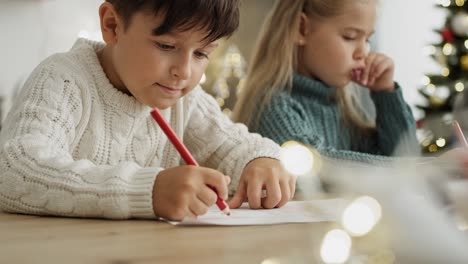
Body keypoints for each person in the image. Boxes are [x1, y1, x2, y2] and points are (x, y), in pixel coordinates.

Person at [0, 0, 295, 221]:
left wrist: (261, 161)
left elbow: (233, 145)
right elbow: (14, 172)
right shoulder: (63, 79)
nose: (184, 71)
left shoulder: (183, 100)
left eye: (202, 53)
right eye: (166, 46)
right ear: (112, 25)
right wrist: (146, 191)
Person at [233, 0, 420, 164]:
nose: (363, 52)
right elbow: (317, 167)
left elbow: (406, 157)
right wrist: (424, 168)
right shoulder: (272, 105)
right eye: (350, 37)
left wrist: (386, 93)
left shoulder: (340, 110)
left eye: (367, 39)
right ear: (301, 28)